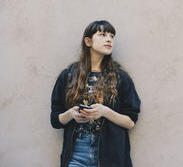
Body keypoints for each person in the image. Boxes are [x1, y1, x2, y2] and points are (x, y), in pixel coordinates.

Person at [50, 20, 141, 167]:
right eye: (103, 34)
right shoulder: (68, 76)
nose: (109, 39)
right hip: (76, 156)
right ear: (88, 41)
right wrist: (71, 114)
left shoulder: (121, 78)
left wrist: (105, 112)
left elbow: (130, 122)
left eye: (112, 36)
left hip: (110, 157)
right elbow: (55, 119)